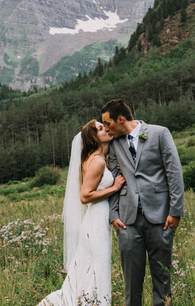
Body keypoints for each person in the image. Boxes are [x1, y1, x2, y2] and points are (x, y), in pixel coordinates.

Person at [102, 99, 184, 306]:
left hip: (161, 218)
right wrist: (114, 216)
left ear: (121, 119)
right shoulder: (114, 144)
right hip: (127, 222)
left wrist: (175, 212)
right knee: (131, 282)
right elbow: (113, 180)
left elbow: (173, 173)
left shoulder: (159, 133)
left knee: (162, 279)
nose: (107, 129)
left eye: (108, 124)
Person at [38, 120, 126, 306]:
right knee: (97, 268)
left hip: (97, 218)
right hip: (95, 221)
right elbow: (85, 196)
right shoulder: (97, 162)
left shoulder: (98, 159)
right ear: (94, 138)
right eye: (101, 128)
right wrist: (115, 187)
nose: (106, 129)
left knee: (95, 267)